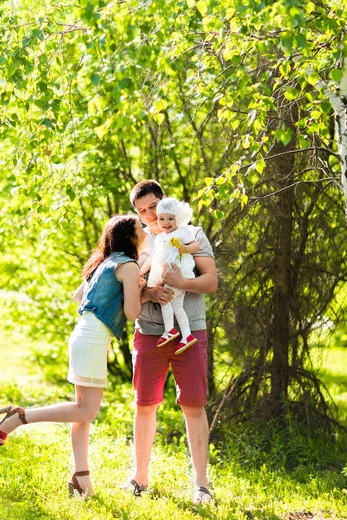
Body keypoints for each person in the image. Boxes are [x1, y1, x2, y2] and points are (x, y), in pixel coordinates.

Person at [0, 214, 146, 498]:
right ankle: (18, 417)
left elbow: (79, 297)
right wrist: (144, 291)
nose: (145, 229)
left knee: (82, 412)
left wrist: (123, 294)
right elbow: (132, 313)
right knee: (87, 410)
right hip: (92, 340)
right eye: (141, 227)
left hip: (83, 335)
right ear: (130, 236)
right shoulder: (129, 265)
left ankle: (82, 478)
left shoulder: (103, 262)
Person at [123, 180, 217, 504]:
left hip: (189, 333)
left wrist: (182, 283)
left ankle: (201, 485)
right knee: (145, 404)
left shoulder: (192, 233)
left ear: (164, 202)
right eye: (142, 211)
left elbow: (211, 280)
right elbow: (127, 285)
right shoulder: (136, 240)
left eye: (153, 207)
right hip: (149, 332)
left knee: (193, 404)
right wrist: (149, 292)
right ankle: (140, 478)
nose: (149, 215)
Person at [140, 197, 201, 353]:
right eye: (161, 219)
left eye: (170, 219)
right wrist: (140, 272)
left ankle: (170, 331)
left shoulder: (183, 231)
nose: (165, 223)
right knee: (177, 306)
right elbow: (153, 257)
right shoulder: (161, 237)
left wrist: (183, 248)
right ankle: (187, 336)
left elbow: (196, 246)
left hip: (179, 273)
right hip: (167, 275)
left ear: (178, 219)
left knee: (165, 299)